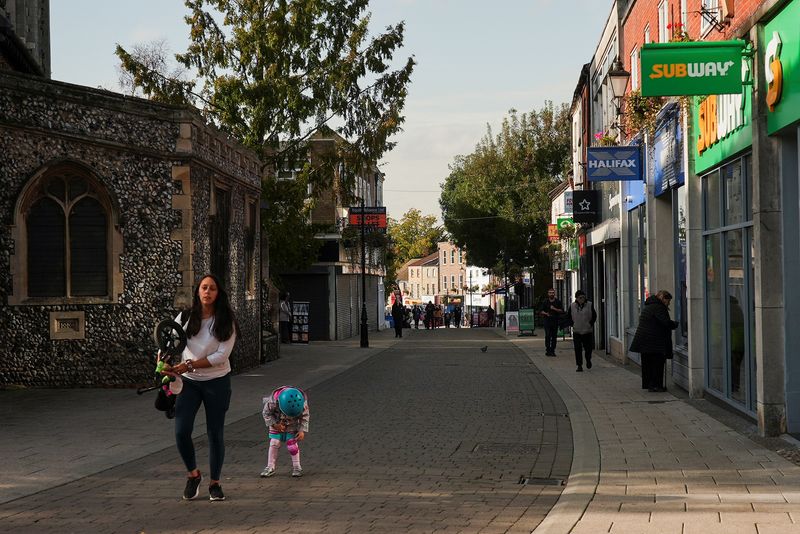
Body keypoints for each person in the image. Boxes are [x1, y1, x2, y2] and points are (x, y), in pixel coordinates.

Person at [163, 273, 238, 501]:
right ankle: (193, 475)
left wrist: (188, 364)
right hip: (190, 383)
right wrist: (164, 361)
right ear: (198, 291)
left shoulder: (226, 321)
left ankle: (215, 483)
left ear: (218, 293)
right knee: (181, 431)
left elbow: (221, 355)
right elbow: (169, 341)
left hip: (217, 381)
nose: (207, 292)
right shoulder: (185, 316)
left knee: (215, 433)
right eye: (204, 287)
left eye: (212, 288)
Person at [629, 290, 679, 392]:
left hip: (645, 341)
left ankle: (650, 385)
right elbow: (665, 322)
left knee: (648, 365)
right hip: (654, 342)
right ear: (662, 298)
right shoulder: (658, 307)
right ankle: (656, 385)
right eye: (667, 301)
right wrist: (676, 324)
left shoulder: (649, 305)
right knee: (657, 364)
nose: (668, 303)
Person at [260, 386, 310, 478]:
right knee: (274, 443)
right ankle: (270, 466)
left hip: (292, 424)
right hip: (276, 423)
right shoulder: (272, 402)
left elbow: (305, 416)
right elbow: (266, 413)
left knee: (292, 446)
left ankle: (297, 467)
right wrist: (275, 424)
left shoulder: (301, 403)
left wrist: (301, 430)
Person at [569, 290, 597, 372]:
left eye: (583, 297)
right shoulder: (572, 306)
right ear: (576, 298)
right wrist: (572, 324)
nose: (582, 299)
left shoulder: (589, 305)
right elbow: (568, 316)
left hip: (587, 331)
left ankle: (588, 360)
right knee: (577, 349)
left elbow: (594, 316)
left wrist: (590, 324)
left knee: (588, 349)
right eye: (580, 298)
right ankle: (579, 365)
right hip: (577, 331)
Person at [539, 288, 564, 357]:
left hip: (555, 321)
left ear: (554, 293)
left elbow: (562, 311)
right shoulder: (545, 302)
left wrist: (554, 309)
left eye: (552, 293)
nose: (551, 294)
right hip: (547, 321)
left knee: (554, 336)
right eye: (550, 293)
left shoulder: (558, 302)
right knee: (547, 335)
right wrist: (546, 313)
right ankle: (548, 350)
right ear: (548, 294)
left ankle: (552, 350)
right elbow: (541, 310)